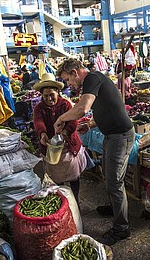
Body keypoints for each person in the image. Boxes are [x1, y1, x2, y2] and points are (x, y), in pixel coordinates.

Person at [54, 59, 134, 246]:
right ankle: (116, 208)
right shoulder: (94, 81)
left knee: (114, 182)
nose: (69, 84)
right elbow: (107, 107)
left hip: (120, 136)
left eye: (68, 80)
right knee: (109, 177)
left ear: (74, 72)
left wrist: (61, 118)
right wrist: (90, 124)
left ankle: (122, 228)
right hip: (112, 135)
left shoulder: (92, 78)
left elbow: (83, 108)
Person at [33, 73, 87, 203]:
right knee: (57, 177)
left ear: (57, 92)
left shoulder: (65, 105)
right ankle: (63, 201)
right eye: (45, 96)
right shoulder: (39, 108)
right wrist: (43, 134)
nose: (49, 98)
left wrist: (65, 133)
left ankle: (76, 199)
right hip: (51, 148)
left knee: (74, 176)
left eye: (52, 94)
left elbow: (73, 122)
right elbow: (38, 122)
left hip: (68, 146)